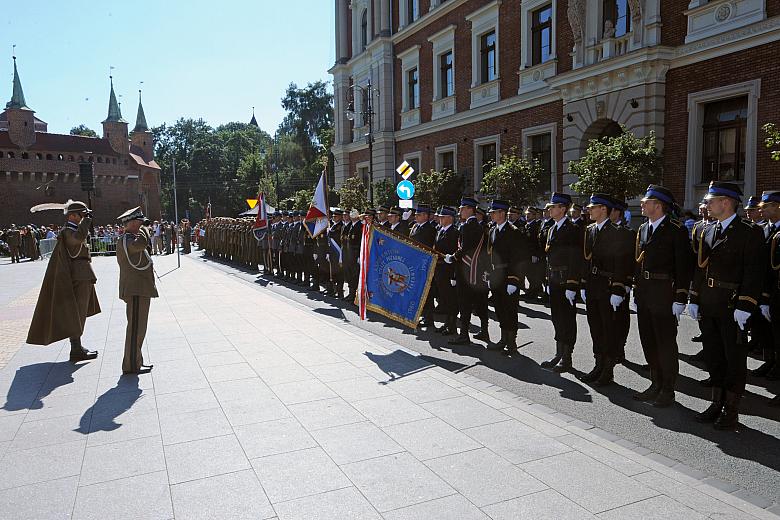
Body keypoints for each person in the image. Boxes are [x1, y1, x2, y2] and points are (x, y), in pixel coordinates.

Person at [690, 181, 764, 430]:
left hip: (732, 305)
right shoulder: (707, 230)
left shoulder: (749, 231)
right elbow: (700, 269)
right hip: (710, 302)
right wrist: (694, 298)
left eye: (711, 200)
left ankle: (731, 409)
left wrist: (746, 304)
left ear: (726, 202)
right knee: (713, 355)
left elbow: (754, 272)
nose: (707, 204)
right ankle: (716, 402)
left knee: (733, 359)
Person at [633, 185, 693, 407]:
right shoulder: (643, 229)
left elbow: (683, 267)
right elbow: (637, 264)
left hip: (664, 292)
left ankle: (668, 389)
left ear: (658, 206)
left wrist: (680, 297)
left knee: (665, 343)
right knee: (648, 340)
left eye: (646, 202)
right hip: (645, 292)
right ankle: (655, 383)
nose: (642, 204)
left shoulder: (675, 230)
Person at [27, 200, 101, 362]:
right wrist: (87, 221)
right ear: (73, 216)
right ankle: (75, 349)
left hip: (82, 274)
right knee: (77, 313)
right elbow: (78, 239)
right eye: (82, 215)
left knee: (79, 313)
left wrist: (85, 219)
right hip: (79, 276)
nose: (84, 217)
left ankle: (77, 346)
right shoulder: (69, 231)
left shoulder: (72, 229)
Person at [579, 194, 634, 386]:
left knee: (608, 329)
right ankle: (598, 364)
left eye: (593, 207)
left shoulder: (617, 232)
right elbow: (587, 260)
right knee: (595, 327)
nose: (589, 210)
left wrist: (618, 288)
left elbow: (622, 263)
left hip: (608, 286)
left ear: (603, 209)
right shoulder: (590, 230)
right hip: (594, 284)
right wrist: (584, 283)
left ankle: (608, 370)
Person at [540, 193, 583, 373]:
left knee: (567, 319)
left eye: (554, 207)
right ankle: (559, 353)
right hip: (554, 279)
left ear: (563, 208)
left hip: (566, 279)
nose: (550, 209)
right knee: (556, 316)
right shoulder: (551, 229)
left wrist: (572, 284)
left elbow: (576, 258)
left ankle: (567, 357)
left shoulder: (572, 229)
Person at [116, 206, 158, 374]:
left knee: (139, 328)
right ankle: (131, 365)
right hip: (135, 290)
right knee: (135, 329)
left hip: (139, 288)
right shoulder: (128, 240)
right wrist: (146, 230)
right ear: (132, 223)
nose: (143, 226)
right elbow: (141, 244)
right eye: (140, 223)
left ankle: (136, 360)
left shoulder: (130, 238)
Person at [445, 197, 485, 346]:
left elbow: (465, 248)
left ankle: (464, 335)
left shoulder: (468, 226)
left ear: (469, 209)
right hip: (473, 269)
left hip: (466, 269)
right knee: (472, 302)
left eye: (462, 208)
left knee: (464, 303)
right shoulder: (476, 225)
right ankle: (478, 331)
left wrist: (453, 257)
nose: (460, 211)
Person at [486, 200, 523, 355]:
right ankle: (503, 339)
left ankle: (511, 342)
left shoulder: (513, 231)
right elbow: (489, 255)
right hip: (496, 275)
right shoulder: (493, 230)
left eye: (494, 212)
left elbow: (519, 258)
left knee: (510, 310)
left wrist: (514, 280)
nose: (491, 215)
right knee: (500, 309)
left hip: (508, 275)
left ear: (502, 213)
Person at [434, 206, 459, 335]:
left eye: (442, 217)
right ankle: (447, 323)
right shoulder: (439, 230)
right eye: (440, 217)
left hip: (449, 270)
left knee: (451, 299)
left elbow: (457, 253)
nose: (440, 219)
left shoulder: (454, 232)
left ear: (450, 218)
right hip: (439, 269)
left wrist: (454, 275)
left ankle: (452, 325)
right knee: (444, 298)